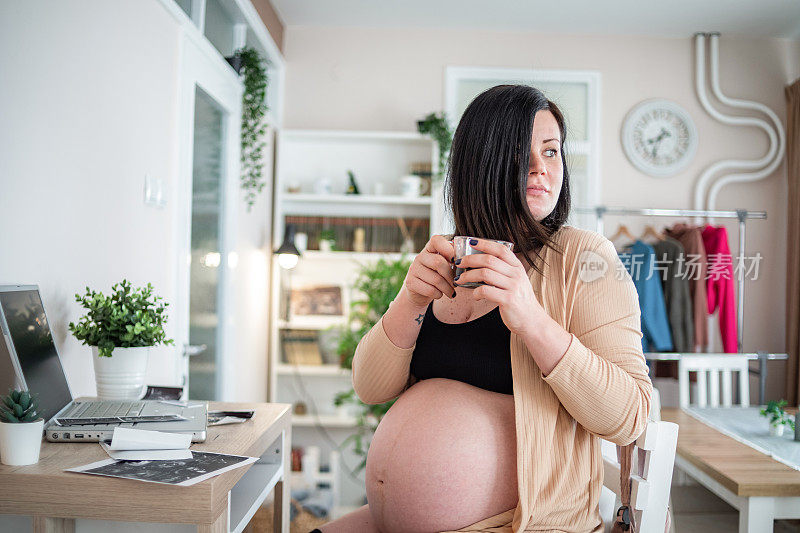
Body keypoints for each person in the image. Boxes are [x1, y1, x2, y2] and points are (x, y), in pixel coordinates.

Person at [313, 84, 652, 533]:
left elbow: (630, 415)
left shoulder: (585, 258)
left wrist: (531, 319)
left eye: (551, 153)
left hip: (521, 524)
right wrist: (410, 299)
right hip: (381, 520)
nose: (540, 169)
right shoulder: (452, 256)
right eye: (519, 155)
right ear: (480, 163)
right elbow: (370, 387)